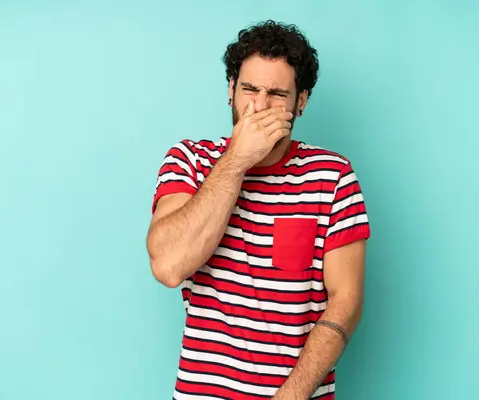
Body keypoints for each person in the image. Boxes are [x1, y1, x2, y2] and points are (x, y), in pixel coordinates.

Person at [146, 19, 370, 400]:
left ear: (301, 101)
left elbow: (345, 302)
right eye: (249, 89)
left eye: (277, 94)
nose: (260, 106)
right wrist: (236, 161)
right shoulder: (189, 161)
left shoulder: (333, 177)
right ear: (231, 90)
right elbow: (168, 266)